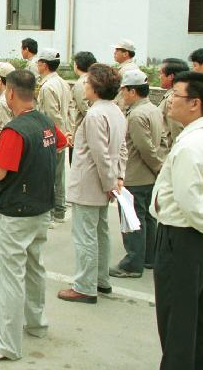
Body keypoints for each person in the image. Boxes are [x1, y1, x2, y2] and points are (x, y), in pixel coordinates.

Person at [0, 70, 68, 362]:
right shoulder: (45, 122)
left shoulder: (14, 130)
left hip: (15, 211)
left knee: (10, 276)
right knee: (36, 267)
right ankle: (37, 324)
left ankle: (7, 343)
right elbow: (62, 144)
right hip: (41, 207)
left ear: (10, 93)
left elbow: (0, 171)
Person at [150, 71, 203, 370]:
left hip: (185, 237)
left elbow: (190, 201)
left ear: (195, 103)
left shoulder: (192, 145)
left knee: (178, 316)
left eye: (175, 95)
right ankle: (201, 364)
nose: (170, 101)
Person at [59, 63, 126, 304]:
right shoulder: (115, 111)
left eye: (87, 83)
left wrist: (111, 182)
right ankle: (100, 279)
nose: (84, 86)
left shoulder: (96, 114)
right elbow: (120, 149)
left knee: (85, 235)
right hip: (103, 181)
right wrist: (117, 178)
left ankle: (85, 286)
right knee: (100, 232)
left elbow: (100, 154)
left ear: (96, 87)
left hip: (91, 182)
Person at [110, 69, 163, 278]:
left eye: (124, 91)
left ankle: (132, 263)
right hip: (148, 175)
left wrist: (157, 166)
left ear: (133, 91)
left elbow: (144, 147)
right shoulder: (152, 109)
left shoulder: (137, 115)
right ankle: (149, 256)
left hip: (135, 174)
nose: (122, 95)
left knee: (132, 220)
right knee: (148, 218)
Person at [36, 48, 72, 225]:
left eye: (38, 62)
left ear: (43, 64)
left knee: (48, 175)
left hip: (52, 136)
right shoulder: (62, 83)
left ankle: (50, 213)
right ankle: (59, 210)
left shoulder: (48, 86)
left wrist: (55, 137)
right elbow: (68, 111)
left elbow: (51, 115)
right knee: (59, 174)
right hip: (62, 134)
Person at [157, 58, 187, 158]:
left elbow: (178, 133)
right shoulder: (173, 94)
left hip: (168, 154)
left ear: (171, 76)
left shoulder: (173, 99)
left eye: (161, 73)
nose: (159, 77)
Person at [69, 51, 96, 137]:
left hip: (82, 128)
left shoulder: (81, 83)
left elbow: (84, 107)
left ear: (76, 65)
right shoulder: (95, 79)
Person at [112, 39, 139, 109]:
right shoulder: (126, 67)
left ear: (125, 54)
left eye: (117, 51)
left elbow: (129, 93)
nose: (114, 53)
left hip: (124, 108)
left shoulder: (128, 69)